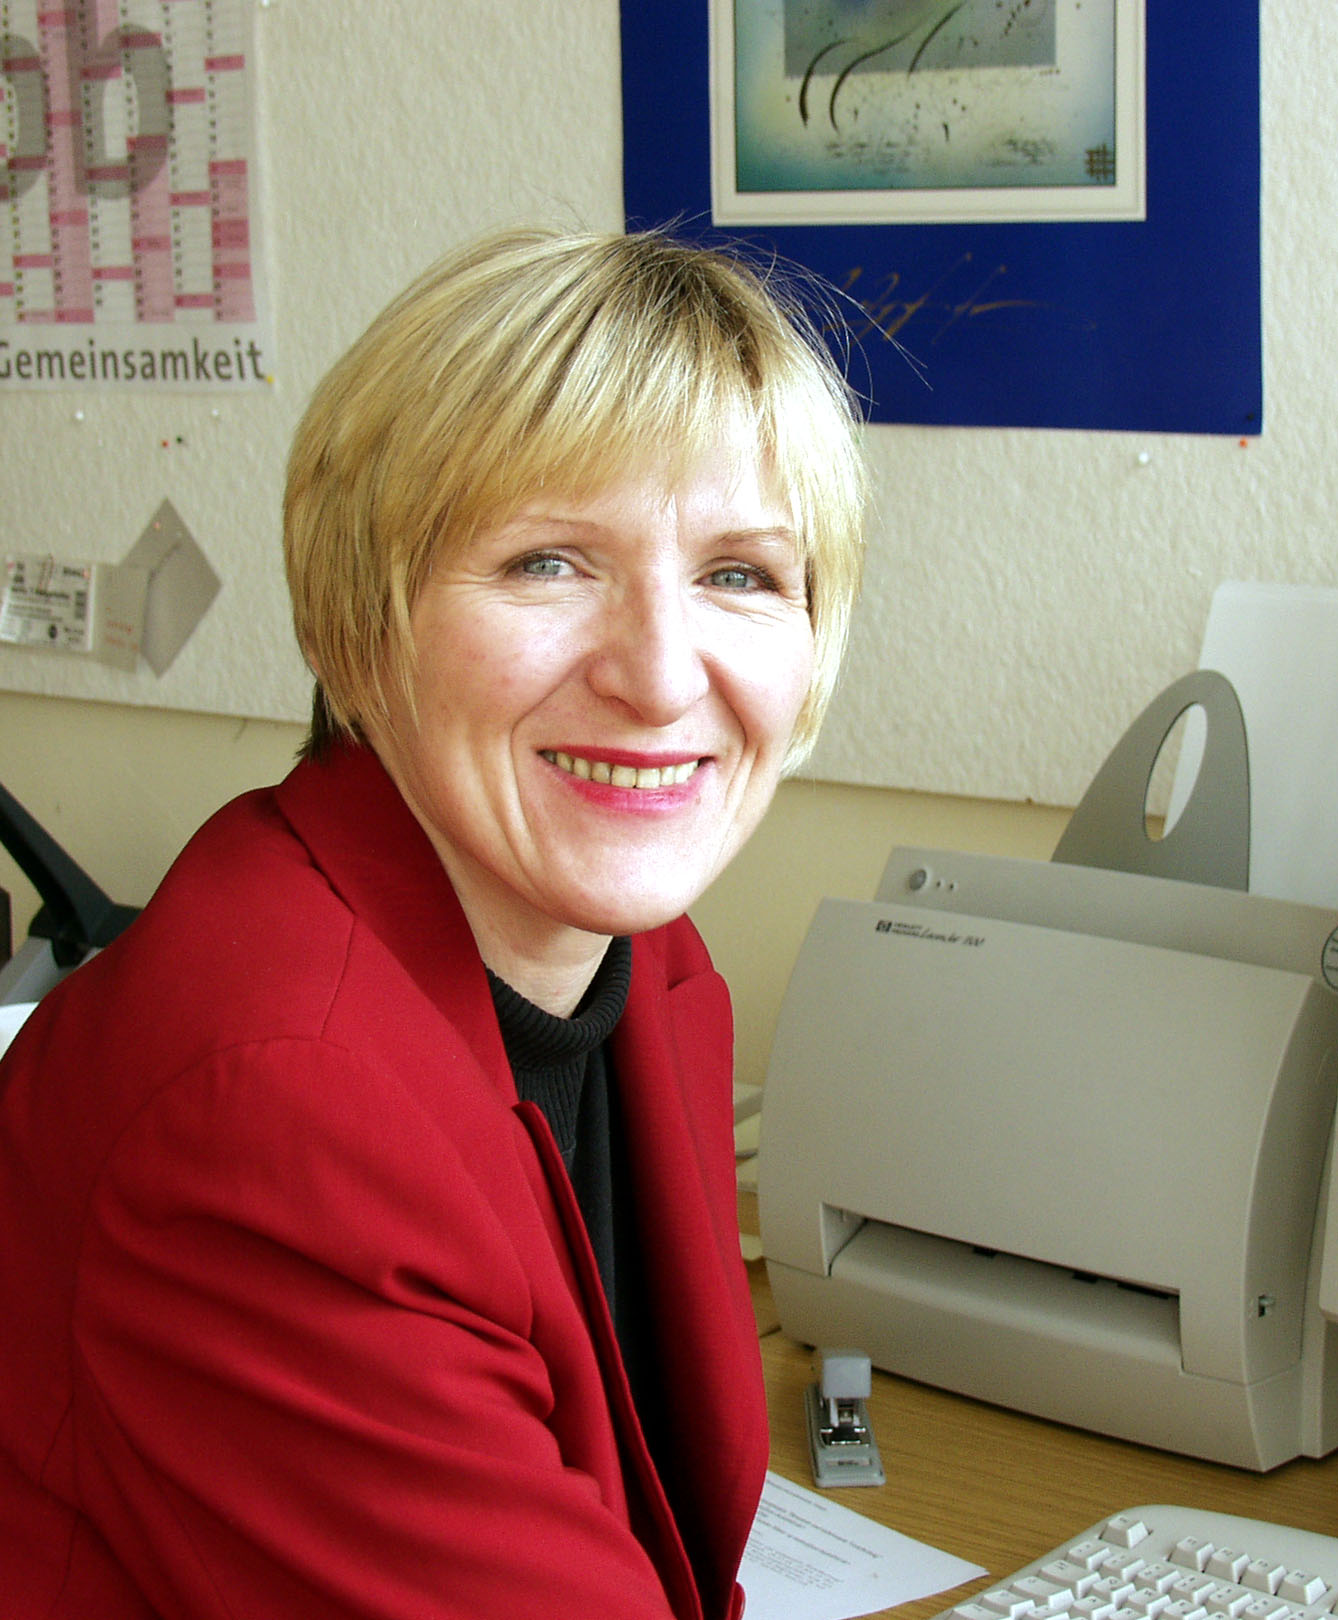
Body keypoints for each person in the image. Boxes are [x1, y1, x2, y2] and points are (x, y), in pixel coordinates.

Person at [0, 225, 867, 1619]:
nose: (660, 677)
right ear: (362, 622)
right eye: (547, 562)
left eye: (740, 574)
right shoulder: (276, 1109)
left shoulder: (637, 969)